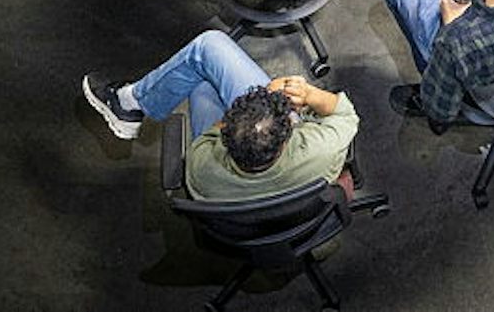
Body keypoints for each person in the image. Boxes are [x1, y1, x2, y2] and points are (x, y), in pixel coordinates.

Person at [81, 30, 358, 202]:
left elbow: (217, 129)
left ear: (225, 136)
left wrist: (248, 106)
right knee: (205, 63)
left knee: (202, 76)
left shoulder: (203, 167)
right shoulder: (322, 148)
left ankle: (129, 104)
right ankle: (130, 103)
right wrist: (307, 94)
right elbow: (346, 114)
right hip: (300, 201)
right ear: (287, 136)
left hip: (233, 212)